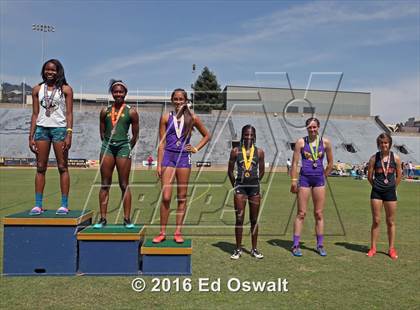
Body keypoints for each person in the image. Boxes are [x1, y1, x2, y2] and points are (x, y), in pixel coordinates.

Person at [153, 88, 210, 243]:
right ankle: (162, 232)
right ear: (172, 100)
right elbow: (162, 142)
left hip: (184, 158)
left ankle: (178, 232)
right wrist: (159, 165)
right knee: (166, 197)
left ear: (185, 101)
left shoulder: (192, 118)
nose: (178, 102)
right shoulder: (165, 117)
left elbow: (207, 135)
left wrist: (196, 148)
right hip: (168, 157)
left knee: (182, 197)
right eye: (176, 99)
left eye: (181, 99)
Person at [29, 59, 73, 215]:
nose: (50, 72)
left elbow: (69, 113)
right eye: (47, 69)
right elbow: (35, 114)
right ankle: (38, 205)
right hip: (42, 129)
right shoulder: (37, 89)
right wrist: (31, 135)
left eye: (53, 70)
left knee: (62, 167)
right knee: (40, 168)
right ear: (43, 71)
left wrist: (69, 133)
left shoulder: (66, 89)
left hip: (59, 130)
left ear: (58, 71)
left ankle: (64, 205)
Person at [94, 80, 139, 229]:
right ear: (112, 93)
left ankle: (126, 219)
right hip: (107, 147)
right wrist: (107, 143)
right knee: (105, 184)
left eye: (121, 91)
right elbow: (102, 131)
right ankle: (102, 219)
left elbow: (135, 134)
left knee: (124, 184)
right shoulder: (105, 111)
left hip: (123, 148)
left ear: (125, 93)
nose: (118, 94)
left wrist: (127, 147)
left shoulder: (131, 111)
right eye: (115, 91)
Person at [290, 118, 333, 256]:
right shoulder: (301, 142)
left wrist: (324, 176)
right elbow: (295, 163)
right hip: (305, 180)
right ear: (306, 128)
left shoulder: (325, 142)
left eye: (314, 127)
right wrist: (293, 180)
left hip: (319, 180)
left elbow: (331, 162)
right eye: (309, 127)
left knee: (319, 214)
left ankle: (320, 245)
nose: (312, 129)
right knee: (301, 213)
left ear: (318, 127)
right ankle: (296, 245)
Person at [228, 125, 265, 259]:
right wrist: (236, 186)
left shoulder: (259, 152)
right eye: (246, 134)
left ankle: (254, 249)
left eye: (251, 135)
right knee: (239, 219)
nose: (248, 137)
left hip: (254, 189)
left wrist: (255, 181)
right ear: (242, 135)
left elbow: (262, 171)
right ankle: (238, 249)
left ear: (254, 136)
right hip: (240, 189)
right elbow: (230, 171)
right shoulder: (235, 151)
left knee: (254, 219)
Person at [367, 133, 402, 260]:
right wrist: (376, 186)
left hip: (390, 193)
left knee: (390, 221)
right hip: (376, 192)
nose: (384, 145)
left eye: (386, 142)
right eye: (381, 143)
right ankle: (373, 248)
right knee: (376, 220)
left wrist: (393, 187)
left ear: (390, 144)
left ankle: (391, 249)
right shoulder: (373, 158)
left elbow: (399, 176)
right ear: (378, 144)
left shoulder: (396, 158)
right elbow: (369, 177)